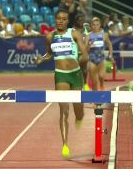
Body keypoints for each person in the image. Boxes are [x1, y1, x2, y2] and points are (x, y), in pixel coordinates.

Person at [35, 9, 88, 158]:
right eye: (58, 18)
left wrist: (83, 59)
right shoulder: (49, 36)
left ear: (67, 21)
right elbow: (49, 53)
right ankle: (65, 144)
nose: (60, 21)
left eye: (64, 19)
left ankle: (79, 117)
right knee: (63, 110)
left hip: (76, 74)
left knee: (79, 111)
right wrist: (42, 58)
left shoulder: (74, 34)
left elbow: (84, 53)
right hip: (61, 76)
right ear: (55, 19)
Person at [85, 17, 114, 91]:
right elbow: (85, 50)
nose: (95, 26)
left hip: (101, 59)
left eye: (97, 25)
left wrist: (111, 55)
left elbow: (110, 44)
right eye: (93, 25)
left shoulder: (104, 35)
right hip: (92, 59)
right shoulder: (88, 36)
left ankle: (101, 86)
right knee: (94, 81)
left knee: (101, 77)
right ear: (91, 26)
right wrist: (89, 45)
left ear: (100, 25)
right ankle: (95, 98)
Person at [73, 14, 90, 90]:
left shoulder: (87, 29)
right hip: (75, 53)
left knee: (85, 70)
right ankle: (76, 86)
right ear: (76, 21)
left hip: (84, 52)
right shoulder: (72, 30)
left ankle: (85, 85)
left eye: (82, 20)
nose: (81, 22)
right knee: (76, 71)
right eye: (79, 20)